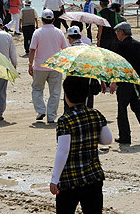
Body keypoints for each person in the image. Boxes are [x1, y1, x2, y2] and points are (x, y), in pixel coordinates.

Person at [50, 75, 113, 213]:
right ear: (86, 95)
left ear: (66, 96)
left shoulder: (65, 120)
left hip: (70, 180)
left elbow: (63, 151)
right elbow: (107, 140)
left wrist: (54, 179)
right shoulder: (95, 114)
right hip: (93, 176)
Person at [113, 22, 140, 146]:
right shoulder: (139, 45)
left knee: (122, 109)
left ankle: (125, 136)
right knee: (139, 108)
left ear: (122, 32)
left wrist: (114, 82)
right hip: (138, 82)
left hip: (125, 83)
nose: (117, 34)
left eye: (117, 32)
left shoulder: (121, 46)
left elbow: (118, 67)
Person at [29, 9, 68, 123]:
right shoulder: (59, 32)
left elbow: (32, 50)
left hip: (40, 66)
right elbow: (65, 49)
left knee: (37, 89)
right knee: (55, 92)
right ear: (53, 19)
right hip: (55, 66)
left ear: (42, 20)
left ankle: (41, 110)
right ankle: (51, 116)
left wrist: (30, 64)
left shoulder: (37, 32)